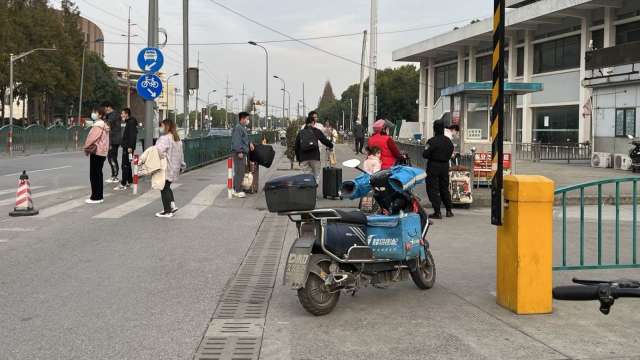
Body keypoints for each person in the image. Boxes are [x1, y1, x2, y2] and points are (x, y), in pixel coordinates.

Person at [423, 119, 455, 219]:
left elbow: (425, 154)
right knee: (444, 188)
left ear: (434, 129)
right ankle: (449, 210)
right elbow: (451, 152)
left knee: (433, 188)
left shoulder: (431, 141)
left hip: (433, 166)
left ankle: (437, 212)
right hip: (445, 166)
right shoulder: (448, 141)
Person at [154, 119, 185, 218]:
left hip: (166, 167)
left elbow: (157, 151)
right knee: (167, 187)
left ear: (166, 126)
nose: (160, 128)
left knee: (163, 188)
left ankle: (167, 211)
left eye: (161, 125)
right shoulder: (177, 139)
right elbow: (181, 155)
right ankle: (172, 206)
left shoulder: (165, 138)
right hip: (175, 168)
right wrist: (182, 165)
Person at [295, 111, 334, 182]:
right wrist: (331, 146)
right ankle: (314, 190)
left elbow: (296, 146)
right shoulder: (316, 131)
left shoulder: (301, 132)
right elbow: (324, 140)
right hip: (315, 157)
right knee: (316, 176)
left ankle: (308, 190)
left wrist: (298, 158)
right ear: (313, 123)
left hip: (303, 158)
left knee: (306, 177)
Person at [83, 107, 110, 204]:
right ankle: (99, 196)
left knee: (94, 174)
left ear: (101, 115)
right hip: (102, 152)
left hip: (97, 151)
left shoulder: (98, 125)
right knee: (98, 174)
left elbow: (91, 138)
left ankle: (95, 197)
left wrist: (86, 147)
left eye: (96, 112)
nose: (93, 113)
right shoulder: (104, 125)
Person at [231, 112, 254, 198]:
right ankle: (238, 190)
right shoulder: (238, 128)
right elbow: (237, 141)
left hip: (241, 153)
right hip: (239, 153)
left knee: (239, 171)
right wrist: (239, 152)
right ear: (242, 119)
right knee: (239, 172)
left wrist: (250, 143)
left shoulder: (242, 128)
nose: (248, 120)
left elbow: (245, 139)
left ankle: (234, 188)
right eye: (247, 119)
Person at [115, 108, 138, 191]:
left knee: (124, 165)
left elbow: (132, 136)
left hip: (128, 148)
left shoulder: (130, 123)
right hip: (128, 147)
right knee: (127, 164)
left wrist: (130, 147)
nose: (121, 115)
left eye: (122, 113)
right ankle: (129, 181)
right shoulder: (130, 122)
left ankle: (123, 183)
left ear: (127, 114)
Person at [103, 102, 122, 183]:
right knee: (111, 157)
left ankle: (114, 176)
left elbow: (107, 125)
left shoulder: (113, 115)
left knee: (112, 158)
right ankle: (114, 175)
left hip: (113, 140)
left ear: (109, 107)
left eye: (105, 108)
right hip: (113, 139)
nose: (104, 110)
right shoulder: (112, 115)